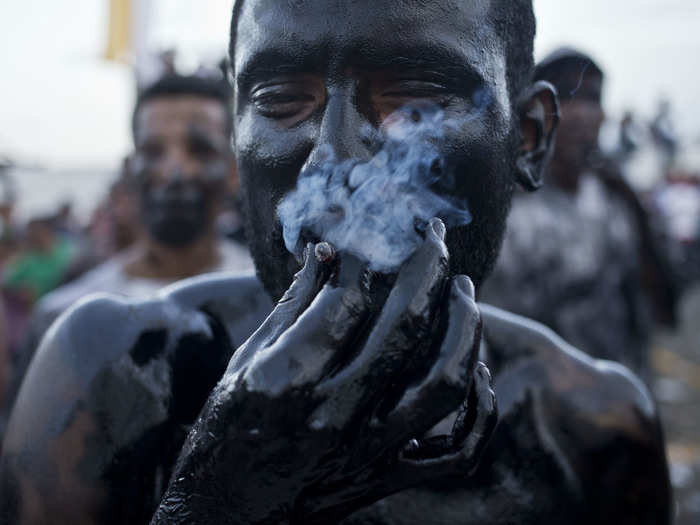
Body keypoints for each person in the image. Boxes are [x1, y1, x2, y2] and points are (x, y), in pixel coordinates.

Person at [0, 2, 671, 524]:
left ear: (526, 139)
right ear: (237, 134)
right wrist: (222, 499)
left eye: (415, 97)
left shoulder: (593, 431)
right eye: (280, 102)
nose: (332, 162)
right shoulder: (121, 375)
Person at [1, 73, 255, 425]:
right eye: (154, 151)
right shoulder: (62, 318)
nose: (175, 170)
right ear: (132, 167)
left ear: (232, 170)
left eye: (199, 149)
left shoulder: (275, 305)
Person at [480, 48, 677, 377]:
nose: (581, 113)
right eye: (566, 95)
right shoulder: (510, 213)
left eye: (593, 98)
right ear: (534, 111)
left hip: (618, 397)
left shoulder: (615, 203)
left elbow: (662, 310)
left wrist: (637, 211)